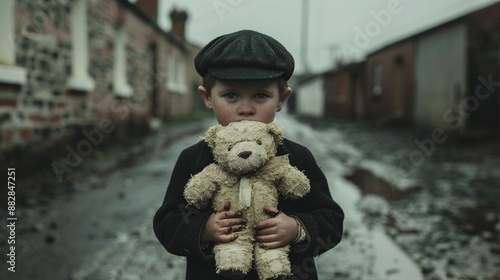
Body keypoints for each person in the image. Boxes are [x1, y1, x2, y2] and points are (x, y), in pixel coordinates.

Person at [153, 30, 344, 280]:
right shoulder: (194, 159)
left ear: (281, 99)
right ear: (207, 98)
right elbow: (168, 224)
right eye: (231, 95)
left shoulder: (296, 157)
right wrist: (203, 230)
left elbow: (330, 220)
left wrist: (297, 229)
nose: (245, 109)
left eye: (260, 95)